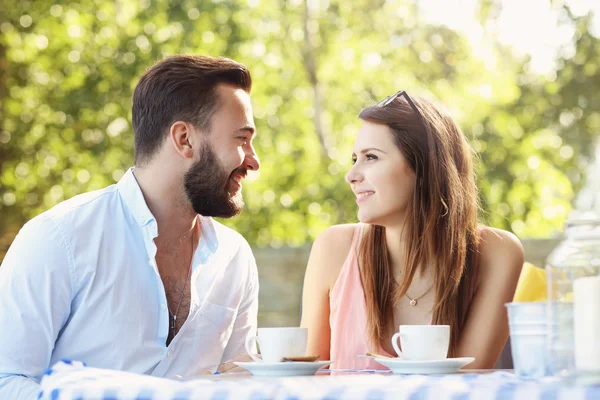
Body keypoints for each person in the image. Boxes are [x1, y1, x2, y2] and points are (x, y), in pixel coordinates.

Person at [0, 55, 261, 398]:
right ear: (184, 139)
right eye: (241, 140)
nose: (253, 160)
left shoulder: (235, 258)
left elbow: (241, 381)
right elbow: (7, 379)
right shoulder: (59, 239)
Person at [300, 91, 524, 370]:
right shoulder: (333, 249)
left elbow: (468, 381)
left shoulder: (497, 252)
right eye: (354, 158)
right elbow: (308, 377)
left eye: (371, 157)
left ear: (425, 167)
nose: (352, 175)